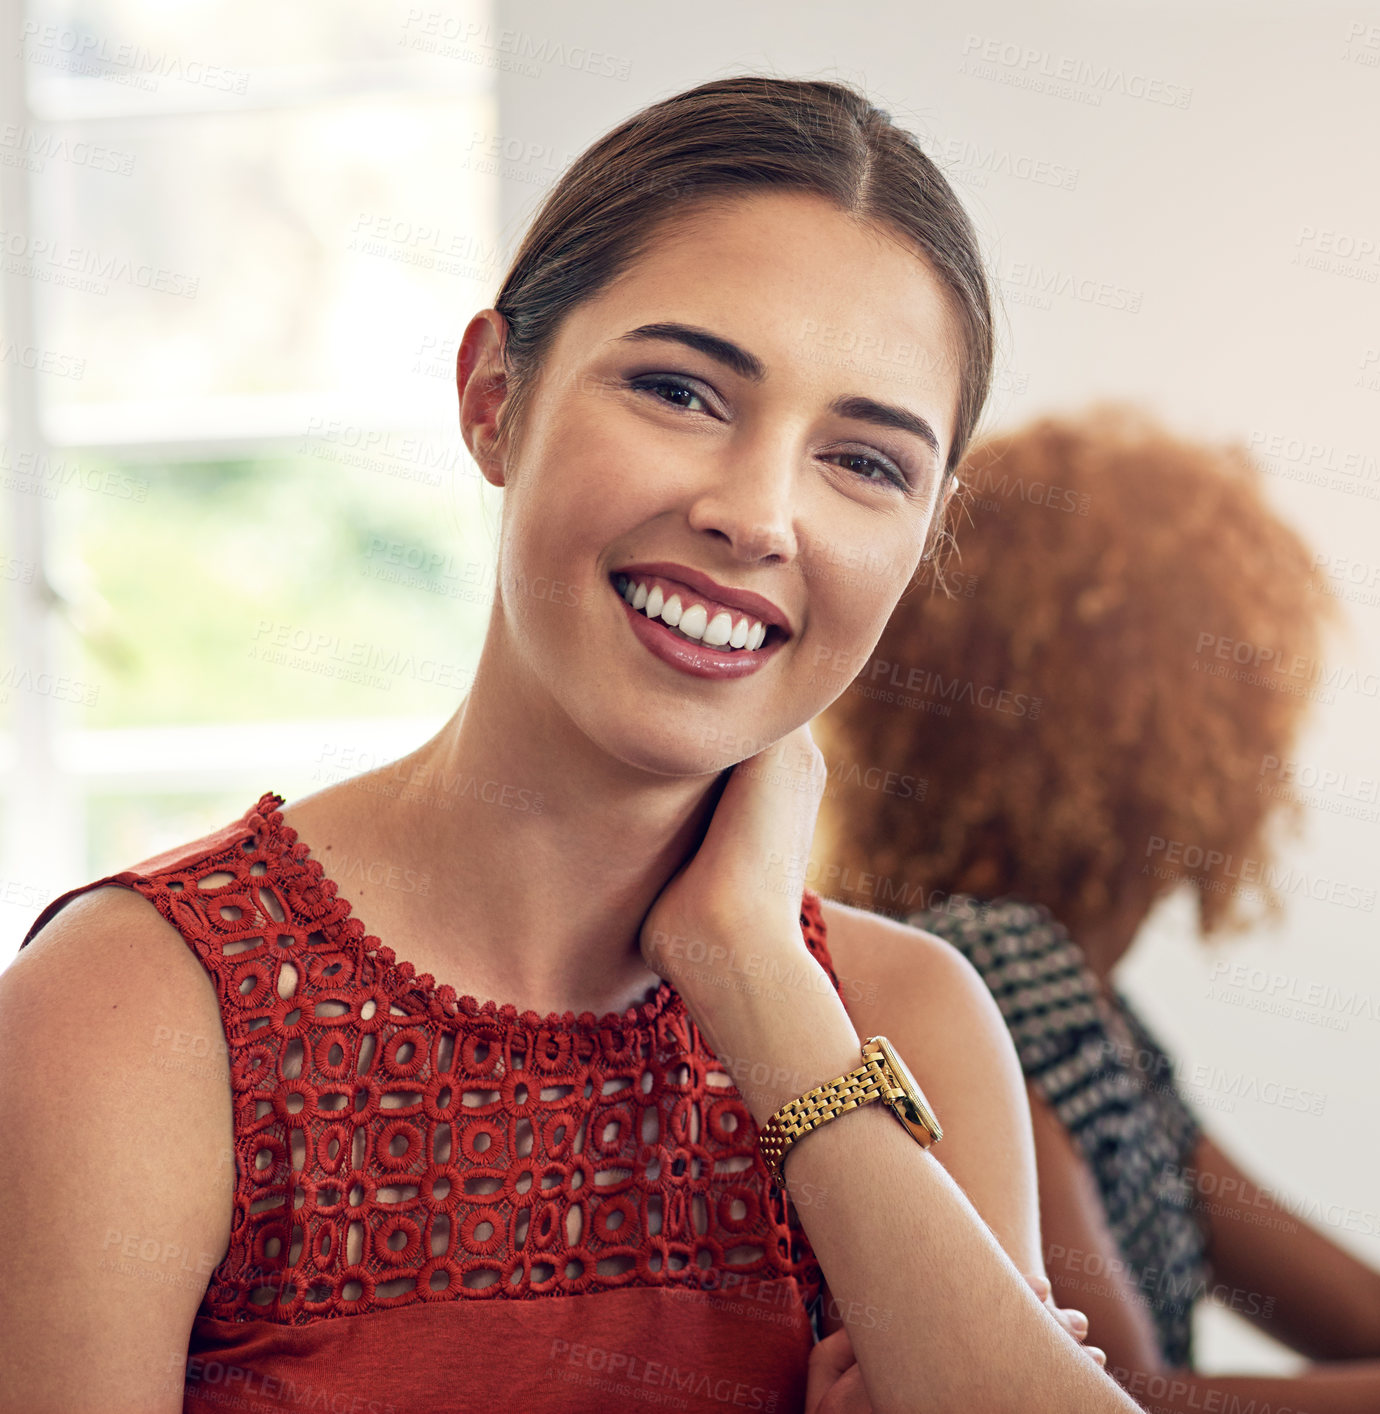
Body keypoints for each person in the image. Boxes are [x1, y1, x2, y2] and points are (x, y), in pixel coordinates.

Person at [0, 77, 1145, 1414]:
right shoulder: (134, 1011)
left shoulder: (908, 1018)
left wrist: (756, 977)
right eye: (679, 389)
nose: (756, 513)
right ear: (494, 396)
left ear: (925, 535)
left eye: (865, 463)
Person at [812, 403, 1380, 1413]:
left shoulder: (1101, 1023)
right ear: (1175, 737)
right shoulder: (990, 968)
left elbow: (1362, 1315)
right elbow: (1123, 1394)